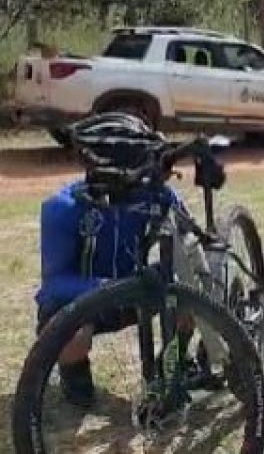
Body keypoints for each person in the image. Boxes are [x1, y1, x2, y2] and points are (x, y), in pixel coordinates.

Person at [36, 114, 186, 406]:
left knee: (188, 300)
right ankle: (75, 375)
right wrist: (112, 287)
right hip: (84, 300)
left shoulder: (157, 196)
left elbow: (187, 245)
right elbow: (53, 283)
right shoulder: (62, 208)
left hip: (136, 290)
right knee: (73, 335)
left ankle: (171, 366)